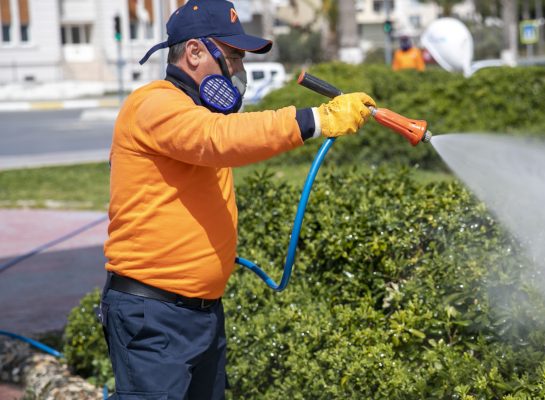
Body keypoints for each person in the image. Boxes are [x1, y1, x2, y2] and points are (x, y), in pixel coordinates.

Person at [96, 0, 376, 398]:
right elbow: (220, 139)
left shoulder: (196, 112)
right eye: (232, 56)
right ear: (194, 52)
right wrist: (316, 119)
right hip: (153, 317)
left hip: (202, 314)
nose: (238, 71)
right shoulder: (153, 105)